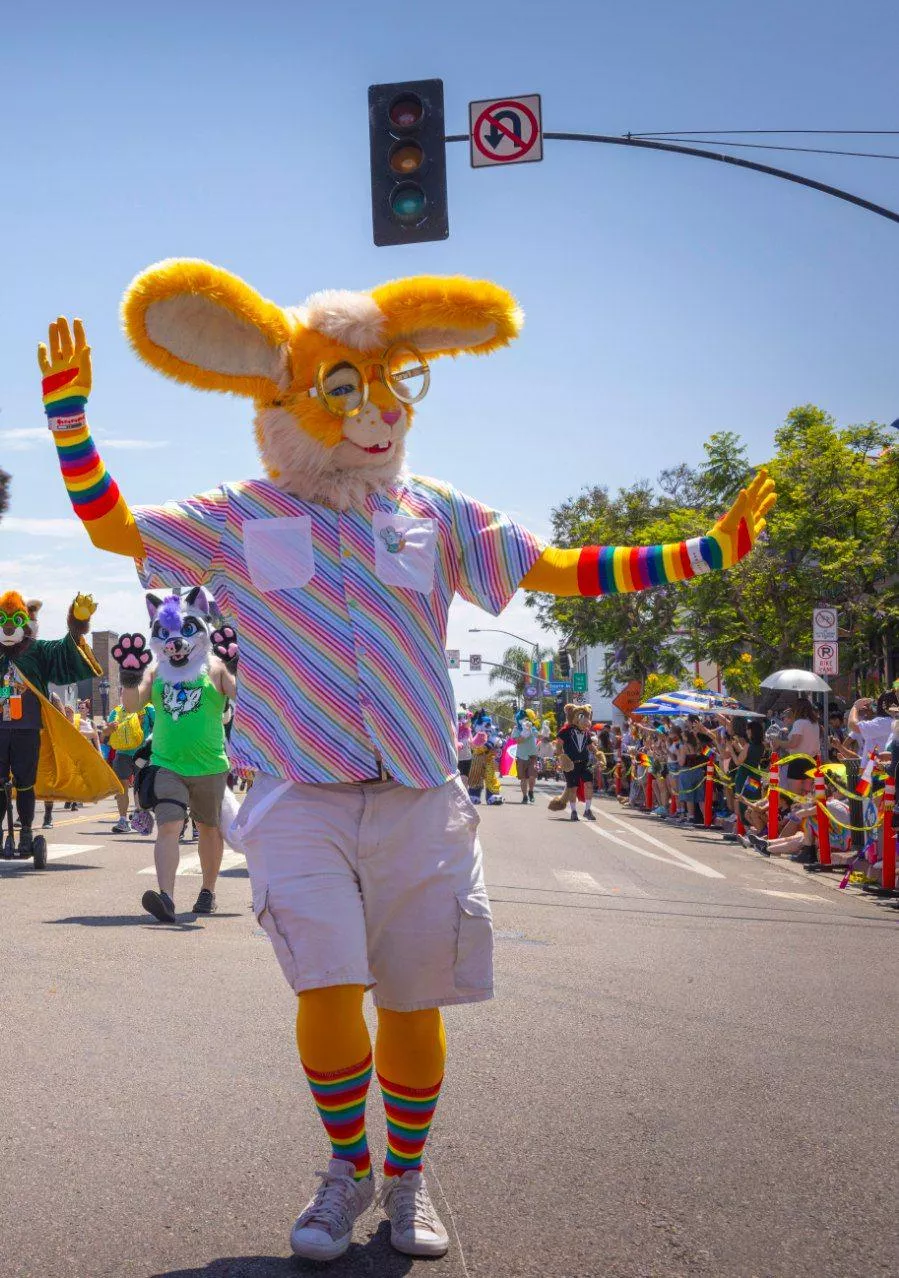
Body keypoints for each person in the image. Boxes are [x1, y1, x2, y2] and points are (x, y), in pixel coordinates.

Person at [40, 275, 773, 1261]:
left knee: (411, 999)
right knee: (328, 989)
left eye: (387, 386)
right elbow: (113, 532)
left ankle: (407, 1180)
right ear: (286, 394)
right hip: (300, 794)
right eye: (345, 387)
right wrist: (69, 422)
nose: (376, 408)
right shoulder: (241, 513)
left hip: (419, 793)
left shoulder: (434, 512)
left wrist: (701, 551)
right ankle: (347, 1169)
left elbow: (554, 566)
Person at [113, 589, 236, 922]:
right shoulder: (156, 672)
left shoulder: (215, 667)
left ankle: (207, 891)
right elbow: (132, 704)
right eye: (166, 633)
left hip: (210, 765)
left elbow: (239, 692)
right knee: (169, 826)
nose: (175, 640)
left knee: (209, 829)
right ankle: (166, 897)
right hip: (167, 765)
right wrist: (129, 674)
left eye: (185, 630)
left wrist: (235, 662)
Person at [0, 591, 120, 854]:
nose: (8, 627)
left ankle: (27, 834)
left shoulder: (36, 651)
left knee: (24, 782)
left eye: (16, 620)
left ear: (26, 623)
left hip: (27, 730)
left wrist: (76, 625)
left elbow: (63, 651)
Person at [105, 700, 156, 834]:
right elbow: (107, 732)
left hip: (142, 753)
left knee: (140, 787)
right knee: (121, 788)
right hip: (122, 752)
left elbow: (158, 727)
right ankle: (122, 820)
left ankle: (140, 816)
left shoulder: (148, 709)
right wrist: (109, 728)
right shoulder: (117, 711)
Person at [781, 700, 820, 796]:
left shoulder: (799, 722)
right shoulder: (815, 723)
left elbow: (794, 743)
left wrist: (779, 742)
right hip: (812, 761)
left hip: (798, 762)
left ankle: (796, 811)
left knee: (795, 796)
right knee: (808, 795)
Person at [512, 708, 538, 804]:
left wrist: (530, 730)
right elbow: (518, 740)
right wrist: (524, 733)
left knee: (532, 776)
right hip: (521, 756)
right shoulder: (516, 729)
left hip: (532, 755)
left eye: (527, 719)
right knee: (523, 778)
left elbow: (538, 736)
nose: (525, 721)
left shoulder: (533, 727)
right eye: (523, 719)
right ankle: (525, 796)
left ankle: (531, 791)